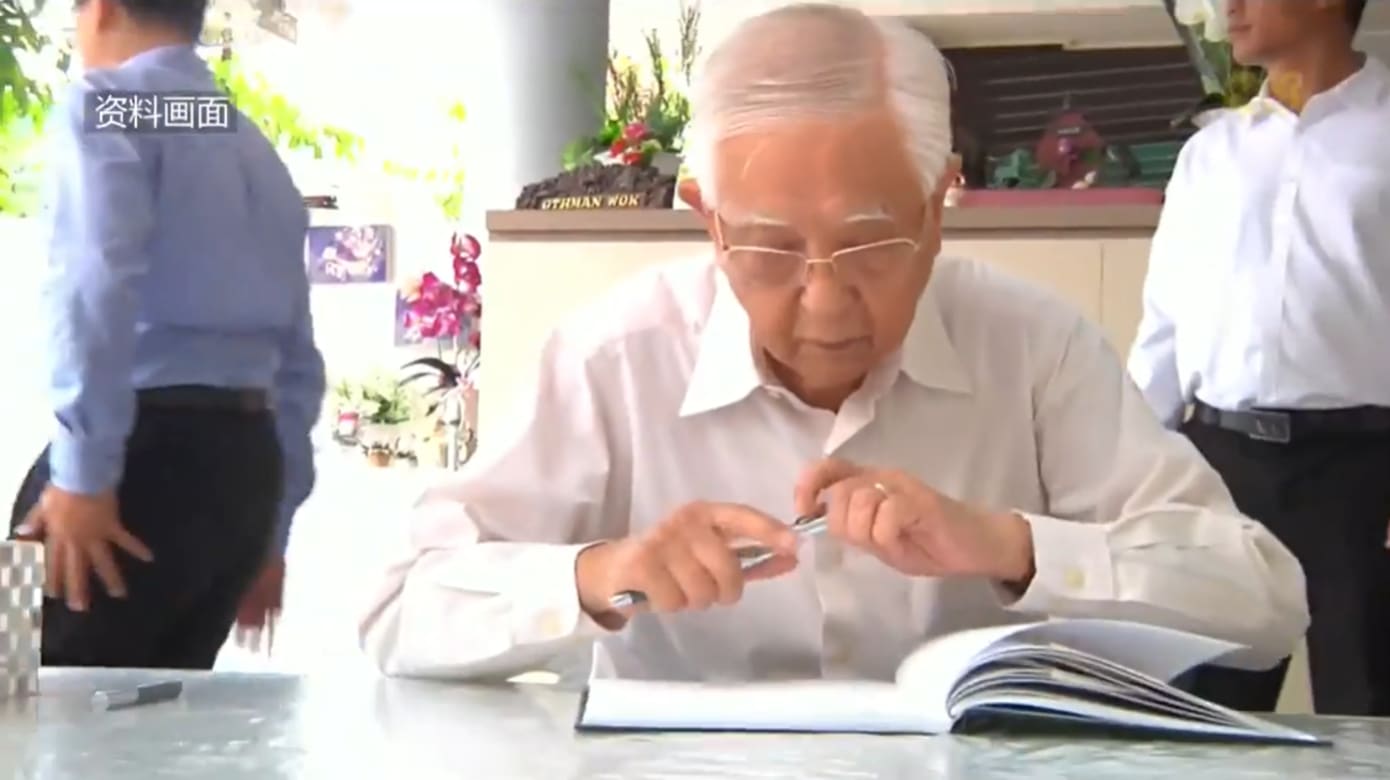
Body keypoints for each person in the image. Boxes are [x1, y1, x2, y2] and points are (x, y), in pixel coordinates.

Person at [360, 3, 1307, 684]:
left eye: (871, 245)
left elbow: (1261, 598)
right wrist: (599, 577)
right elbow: (400, 607)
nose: (823, 302)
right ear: (709, 220)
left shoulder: (1033, 349)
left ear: (937, 209)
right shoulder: (615, 357)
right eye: (770, 248)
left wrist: (1008, 544)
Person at [8, 0, 325, 669]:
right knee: (164, 716)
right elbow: (299, 362)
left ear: (100, 9)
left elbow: (93, 284)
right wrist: (271, 537)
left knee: (27, 704)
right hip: (245, 472)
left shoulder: (107, 106)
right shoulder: (249, 142)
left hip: (133, 462)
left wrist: (84, 475)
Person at [1129, 0, 1388, 715]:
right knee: (1201, 710)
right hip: (1219, 466)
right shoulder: (1210, 154)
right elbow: (1164, 325)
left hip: (1362, 472)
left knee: (1366, 703)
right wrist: (1133, 471)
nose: (1228, 8)